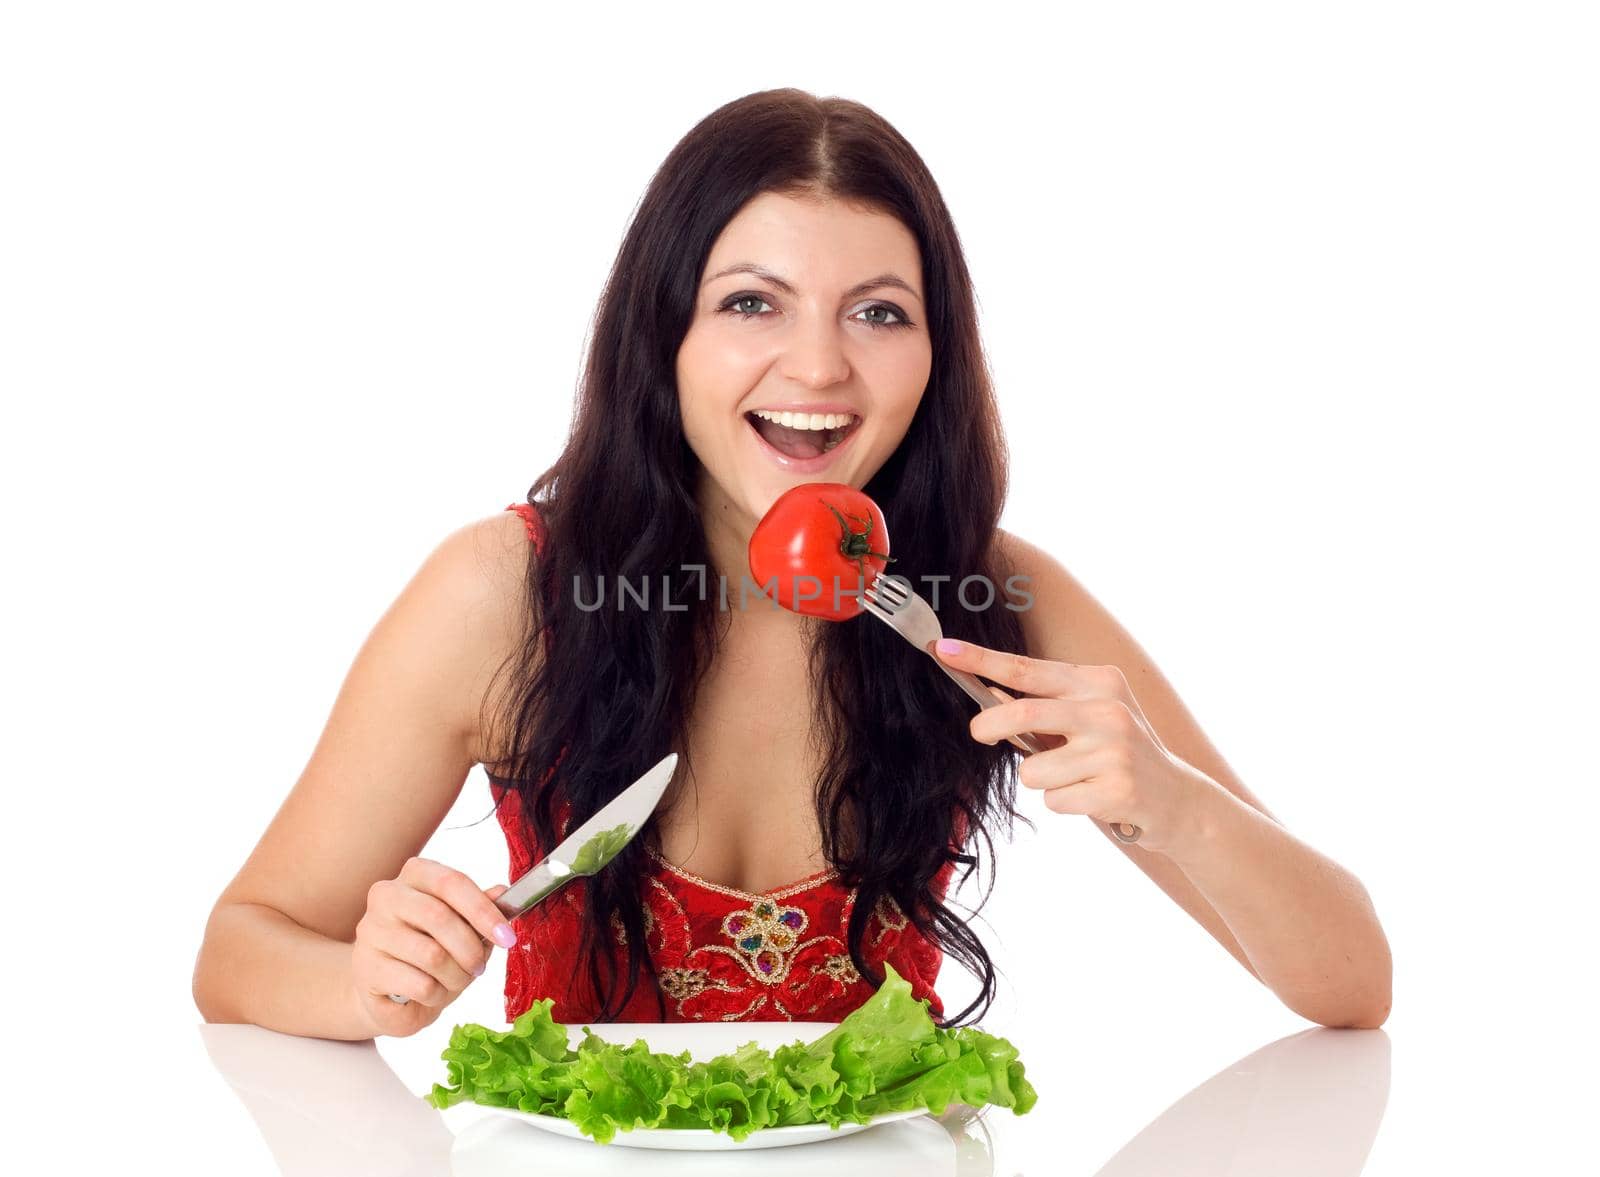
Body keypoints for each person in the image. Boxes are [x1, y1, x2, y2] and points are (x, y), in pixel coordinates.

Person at [193, 88, 1392, 1042]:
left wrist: (1171, 800)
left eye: (878, 313)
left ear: (936, 356)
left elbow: (1350, 985)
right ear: (661, 338)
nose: (817, 368)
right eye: (752, 303)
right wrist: (368, 984)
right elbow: (241, 947)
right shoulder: (506, 593)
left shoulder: (987, 599)